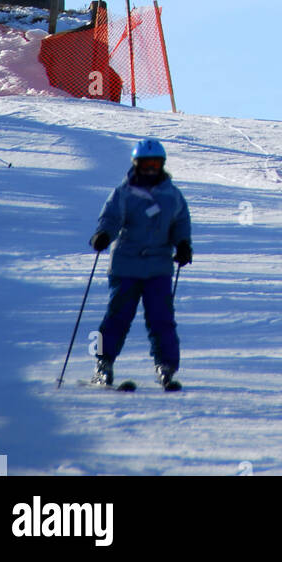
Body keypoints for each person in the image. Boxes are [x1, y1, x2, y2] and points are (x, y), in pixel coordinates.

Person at [89, 138, 192, 390]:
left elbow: (180, 222)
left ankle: (165, 366)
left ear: (162, 165)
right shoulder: (123, 193)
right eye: (145, 164)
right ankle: (103, 363)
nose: (150, 169)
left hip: (158, 266)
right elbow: (111, 218)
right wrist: (103, 234)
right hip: (126, 265)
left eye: (155, 163)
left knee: (161, 318)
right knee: (117, 317)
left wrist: (183, 244)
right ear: (136, 164)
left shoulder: (171, 195)